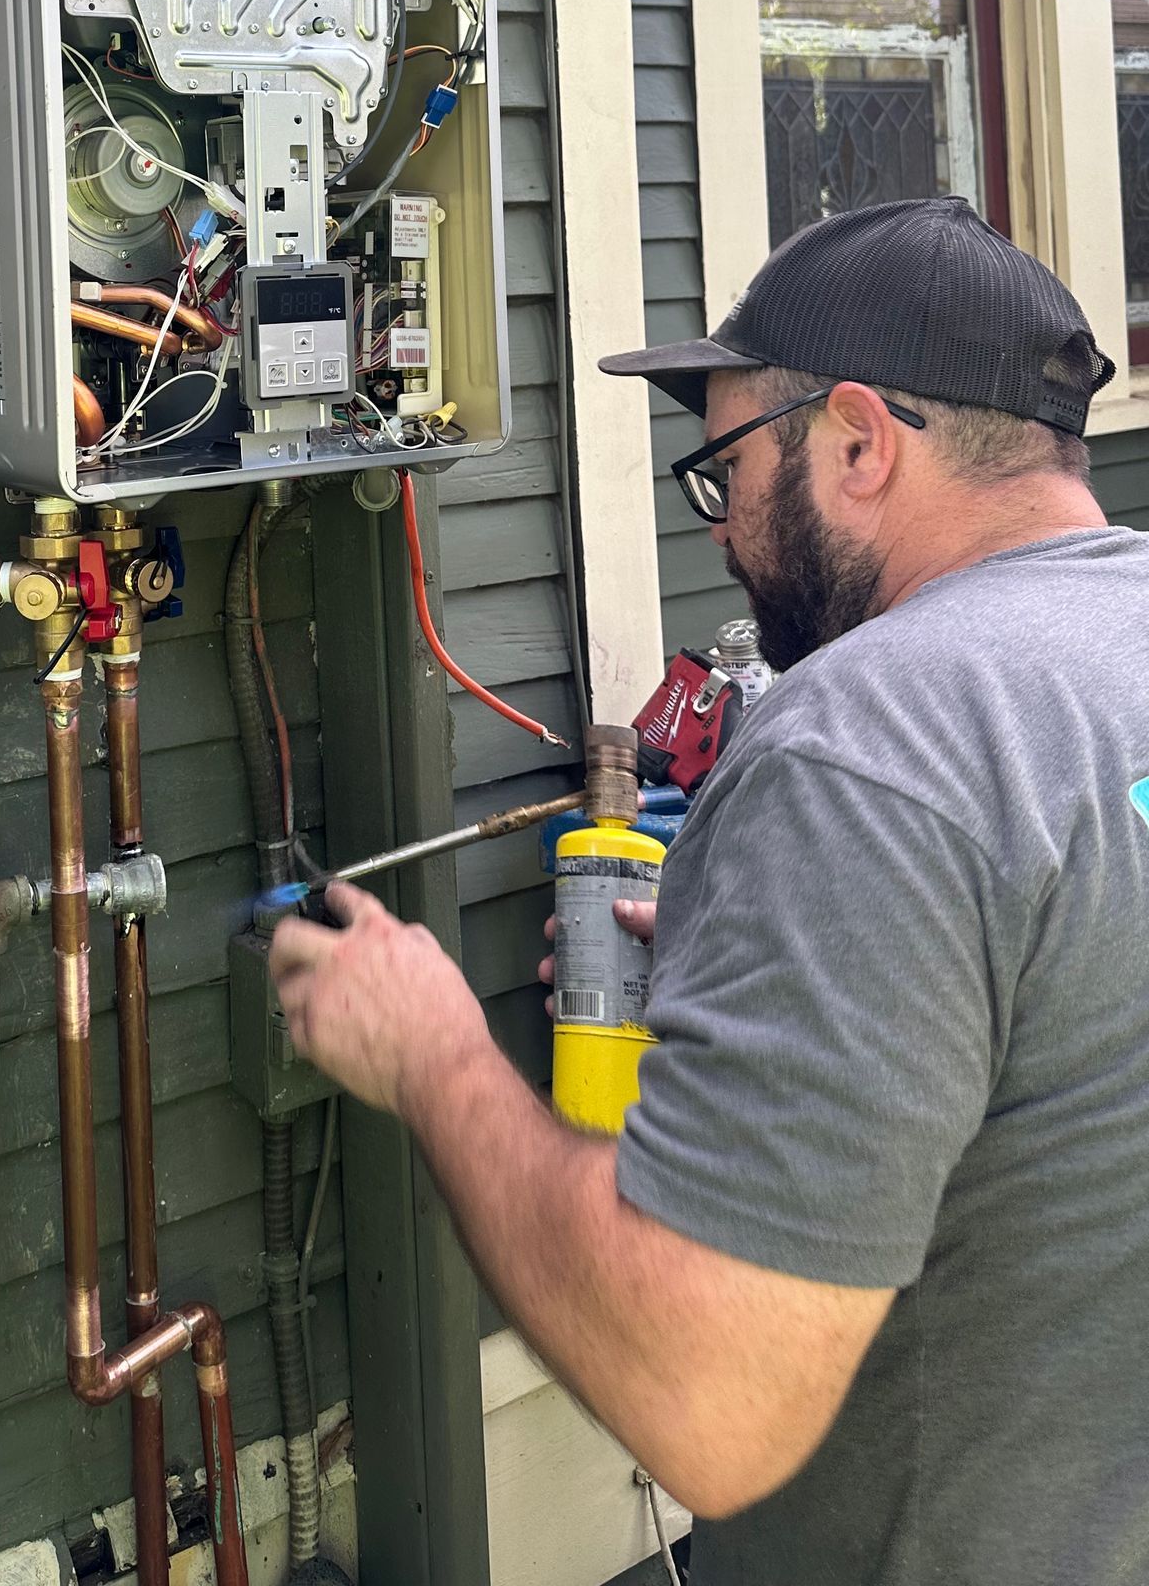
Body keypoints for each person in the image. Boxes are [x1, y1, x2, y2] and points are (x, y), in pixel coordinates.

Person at [270, 197, 1149, 1583]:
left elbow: (708, 1408)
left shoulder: (872, 744)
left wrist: (430, 1053)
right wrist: (821, 966)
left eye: (729, 463)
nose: (724, 523)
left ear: (859, 443)